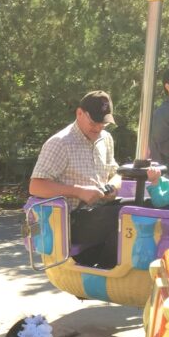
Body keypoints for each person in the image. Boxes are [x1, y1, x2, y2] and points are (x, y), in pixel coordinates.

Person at [29, 91, 122, 269]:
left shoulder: (106, 138)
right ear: (79, 113)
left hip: (100, 211)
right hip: (71, 222)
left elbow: (115, 173)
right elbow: (36, 186)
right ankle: (102, 273)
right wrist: (79, 191)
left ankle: (111, 268)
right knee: (125, 215)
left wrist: (113, 187)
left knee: (142, 207)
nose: (98, 128)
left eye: (104, 123)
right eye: (94, 122)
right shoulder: (59, 143)